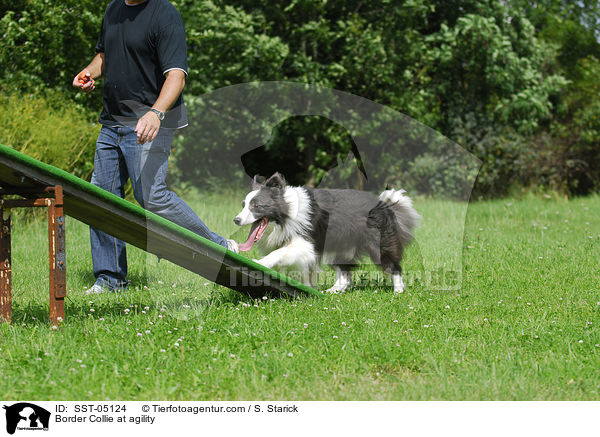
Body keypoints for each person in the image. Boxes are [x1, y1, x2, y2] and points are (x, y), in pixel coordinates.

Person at [73, 0, 238, 294]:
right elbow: (104, 55)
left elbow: (177, 75)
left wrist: (156, 113)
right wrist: (89, 72)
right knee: (100, 196)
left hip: (151, 121)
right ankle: (110, 279)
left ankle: (220, 247)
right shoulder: (113, 11)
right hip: (112, 122)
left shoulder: (165, 14)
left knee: (152, 197)